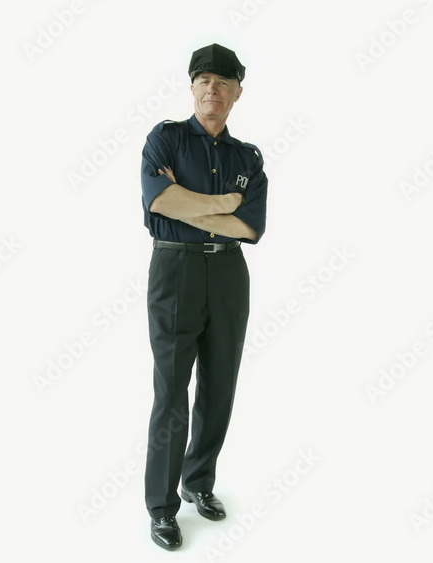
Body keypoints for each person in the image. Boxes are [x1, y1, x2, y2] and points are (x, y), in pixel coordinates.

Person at [139, 43, 268, 551]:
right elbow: (159, 202)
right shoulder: (166, 139)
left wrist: (188, 204)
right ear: (192, 87)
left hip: (229, 273)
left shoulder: (247, 157)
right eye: (204, 81)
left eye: (223, 83)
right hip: (176, 269)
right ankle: (161, 507)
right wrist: (224, 203)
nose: (213, 89)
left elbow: (250, 227)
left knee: (220, 384)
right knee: (172, 388)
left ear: (237, 93)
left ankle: (198, 481)